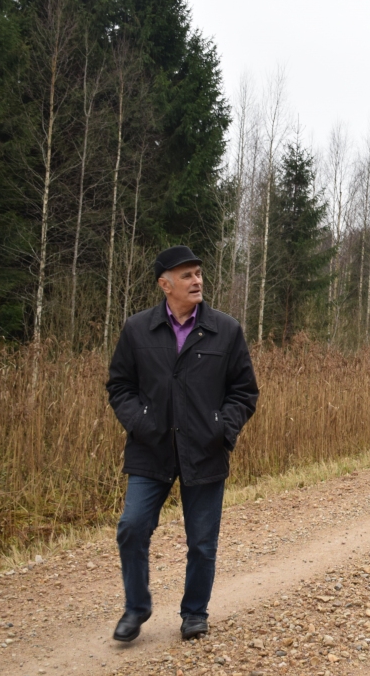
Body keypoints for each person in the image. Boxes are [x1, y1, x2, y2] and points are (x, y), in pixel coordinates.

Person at [106, 246, 259, 642]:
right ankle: (136, 608)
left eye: (198, 274)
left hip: (205, 450)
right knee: (132, 527)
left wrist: (221, 429)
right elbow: (119, 386)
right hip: (150, 448)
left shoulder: (226, 329)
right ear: (164, 284)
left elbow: (244, 391)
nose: (197, 281)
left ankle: (194, 612)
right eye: (187, 275)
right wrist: (140, 421)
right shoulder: (137, 329)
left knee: (202, 542)